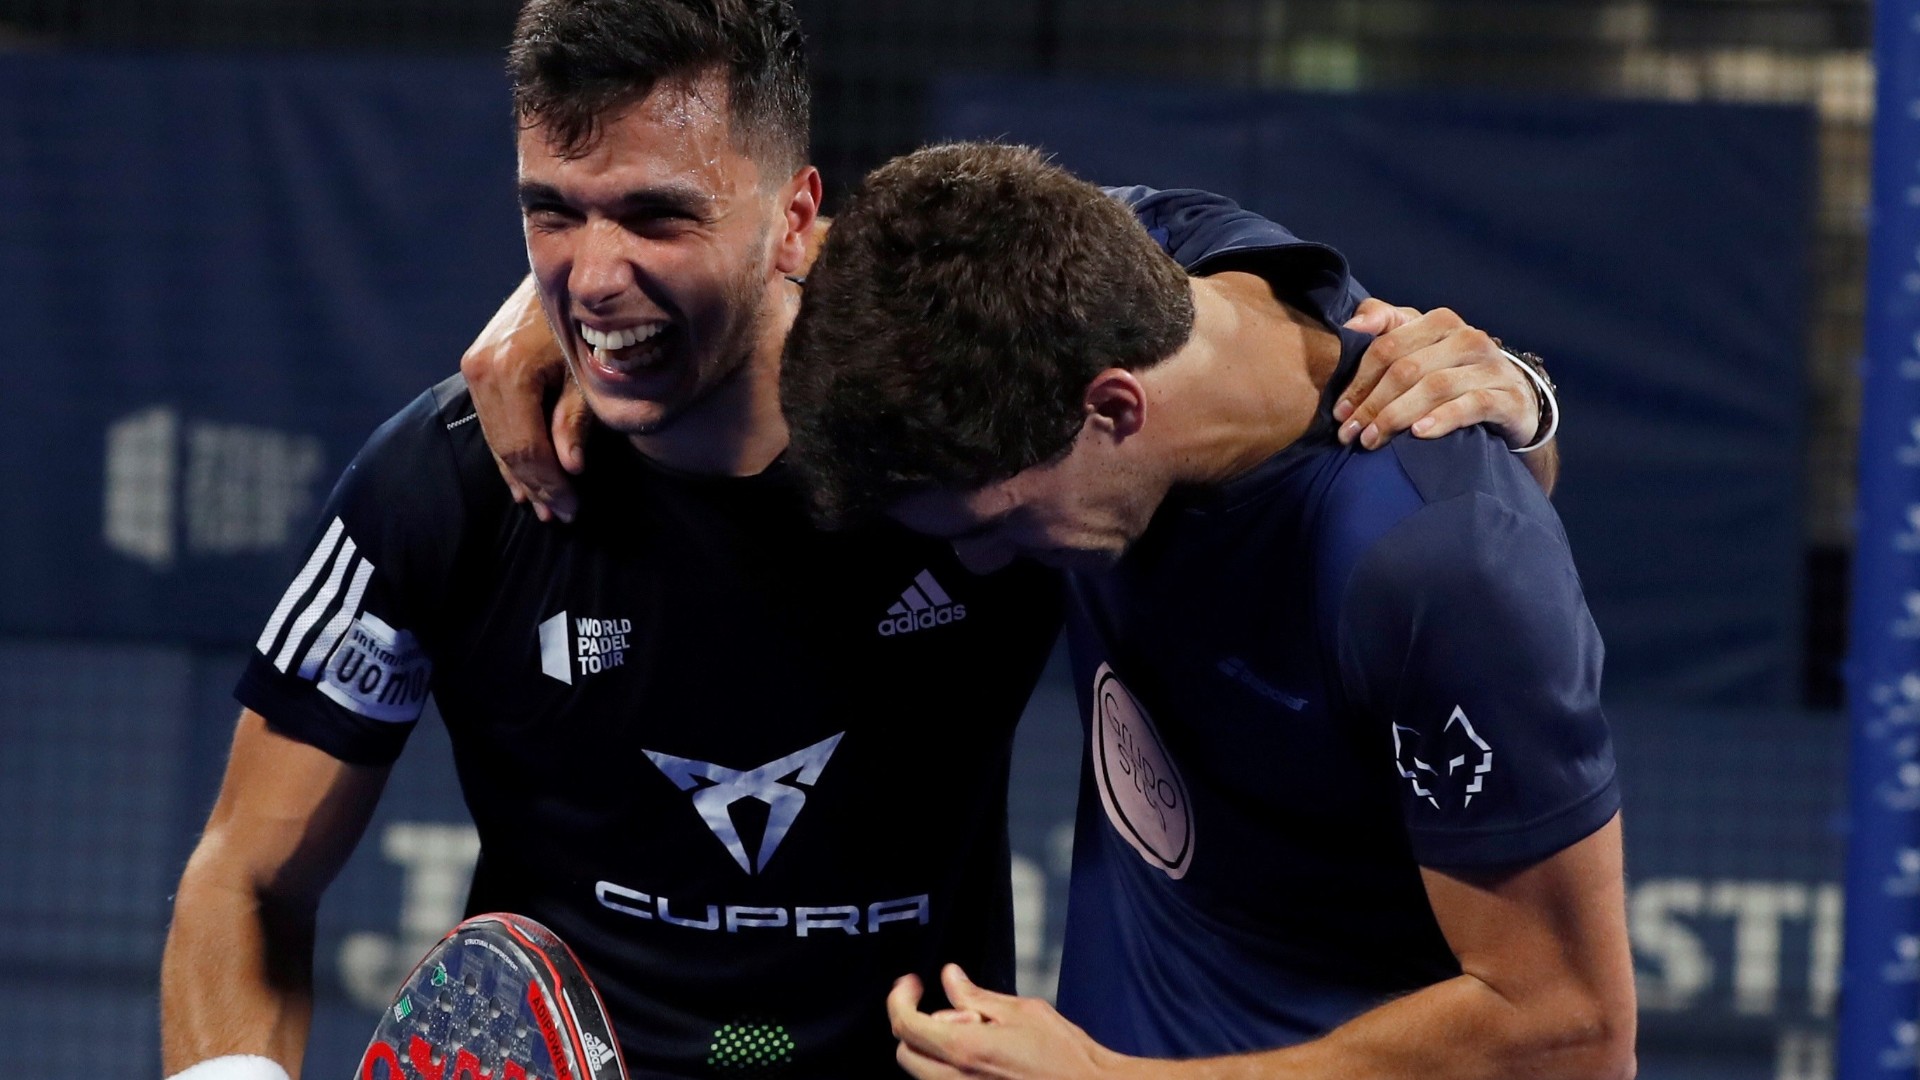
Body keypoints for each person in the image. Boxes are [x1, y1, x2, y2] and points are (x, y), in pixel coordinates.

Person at [158, 4, 1560, 1080]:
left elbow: (1294, 389)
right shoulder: (448, 479)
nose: (593, 273)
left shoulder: (983, 443)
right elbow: (245, 875)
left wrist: (1507, 404)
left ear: (797, 221)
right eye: (551, 214)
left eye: (657, 216)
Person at [775, 142, 1635, 1080]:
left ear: (1114, 409)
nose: (977, 564)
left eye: (997, 521)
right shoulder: (1102, 262)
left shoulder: (1440, 565)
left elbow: (1572, 1031)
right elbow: (836, 258)